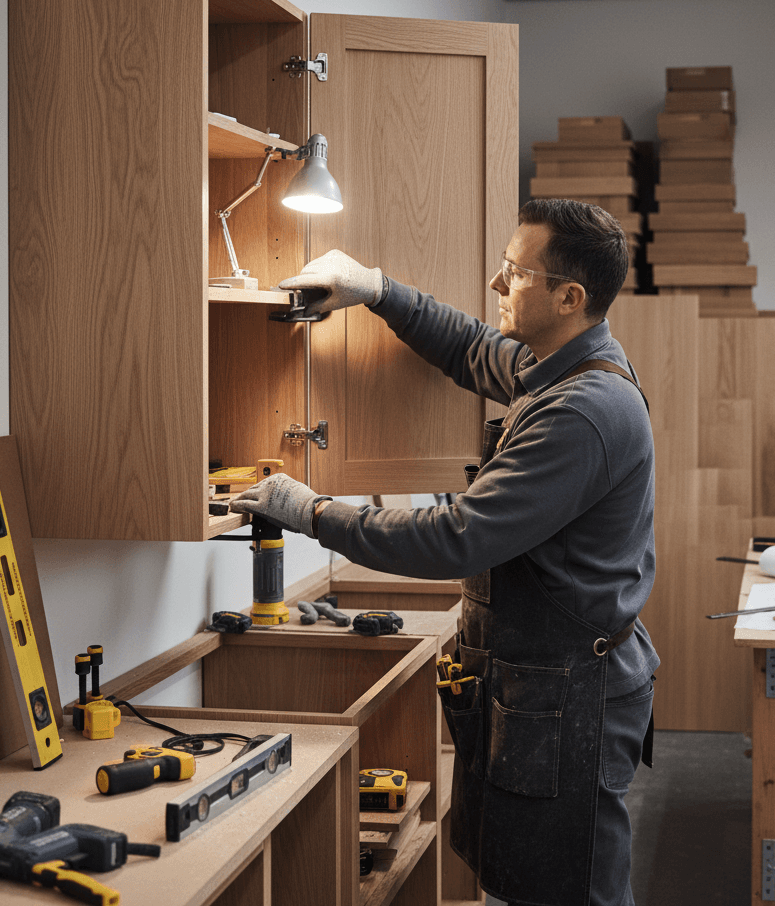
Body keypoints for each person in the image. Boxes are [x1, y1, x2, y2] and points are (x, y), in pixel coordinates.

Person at [231, 198, 658, 906]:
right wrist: (377, 290)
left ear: (569, 297)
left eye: (515, 272)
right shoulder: (558, 367)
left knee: (573, 891)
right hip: (541, 681)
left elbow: (457, 536)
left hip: (570, 694)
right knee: (526, 881)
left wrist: (313, 512)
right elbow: (470, 348)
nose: (496, 283)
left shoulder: (583, 410)